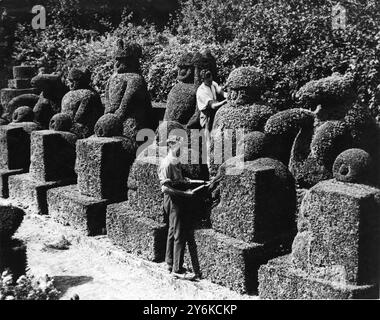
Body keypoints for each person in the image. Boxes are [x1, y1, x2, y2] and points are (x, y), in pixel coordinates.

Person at [158, 136, 206, 280]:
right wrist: (184, 193)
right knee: (179, 233)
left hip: (176, 199)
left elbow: (176, 180)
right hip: (173, 200)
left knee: (172, 231)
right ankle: (177, 270)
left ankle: (169, 262)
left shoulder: (175, 160)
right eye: (180, 146)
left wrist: (187, 181)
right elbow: (165, 189)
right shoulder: (167, 164)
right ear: (172, 145)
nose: (183, 149)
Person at [196, 68, 227, 166]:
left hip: (215, 113)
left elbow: (222, 92)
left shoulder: (212, 83)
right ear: (203, 80)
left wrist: (229, 95)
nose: (210, 81)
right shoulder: (201, 91)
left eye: (211, 79)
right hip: (207, 116)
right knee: (209, 142)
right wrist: (225, 102)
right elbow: (212, 105)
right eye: (207, 80)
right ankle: (210, 166)